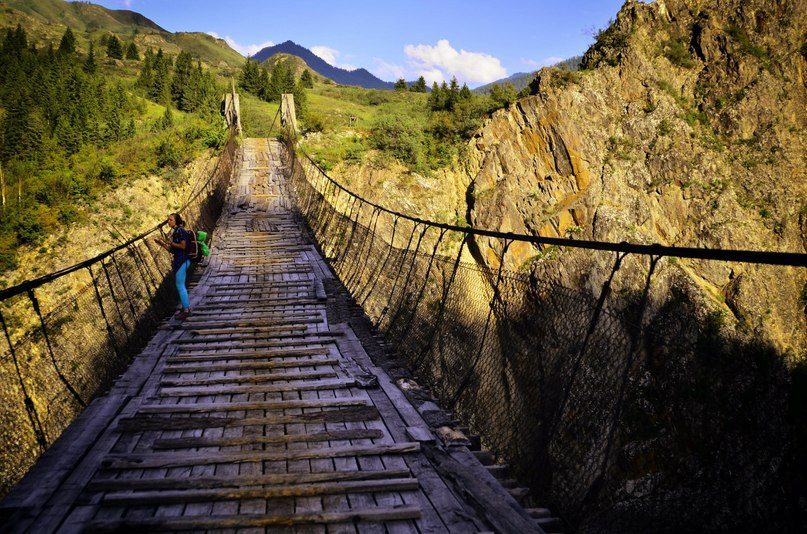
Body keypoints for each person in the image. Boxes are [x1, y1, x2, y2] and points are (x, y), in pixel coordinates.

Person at [154, 213, 192, 320]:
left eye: (170, 220)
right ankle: (185, 307)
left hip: (182, 261)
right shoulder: (176, 231)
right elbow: (174, 250)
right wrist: (162, 244)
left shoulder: (180, 231)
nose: (168, 222)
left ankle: (186, 310)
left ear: (176, 221)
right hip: (181, 260)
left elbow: (183, 246)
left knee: (180, 285)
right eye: (168, 220)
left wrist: (169, 242)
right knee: (180, 285)